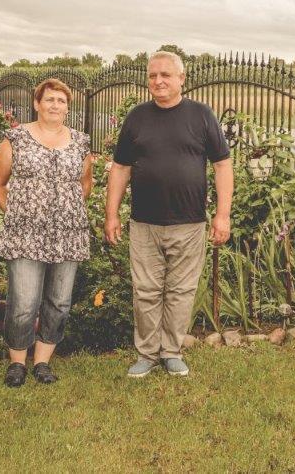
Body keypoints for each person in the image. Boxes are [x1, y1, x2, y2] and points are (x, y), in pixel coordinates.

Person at [104, 51, 233, 378]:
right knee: (145, 291)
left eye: (165, 75)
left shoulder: (201, 115)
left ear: (181, 79)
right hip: (144, 223)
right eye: (152, 76)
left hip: (189, 223)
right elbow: (120, 168)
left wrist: (222, 215)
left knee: (181, 291)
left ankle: (172, 351)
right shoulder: (137, 117)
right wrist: (111, 214)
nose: (158, 81)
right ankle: (147, 354)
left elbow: (222, 165)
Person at [0, 78, 93, 387]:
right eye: (49, 99)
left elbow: (85, 183)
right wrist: (17, 213)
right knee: (23, 302)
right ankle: (17, 364)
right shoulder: (16, 138)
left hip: (68, 235)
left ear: (67, 107)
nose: (55, 105)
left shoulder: (80, 142)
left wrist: (65, 211)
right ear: (37, 104)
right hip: (25, 235)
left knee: (59, 301)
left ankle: (43, 362)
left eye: (61, 101)